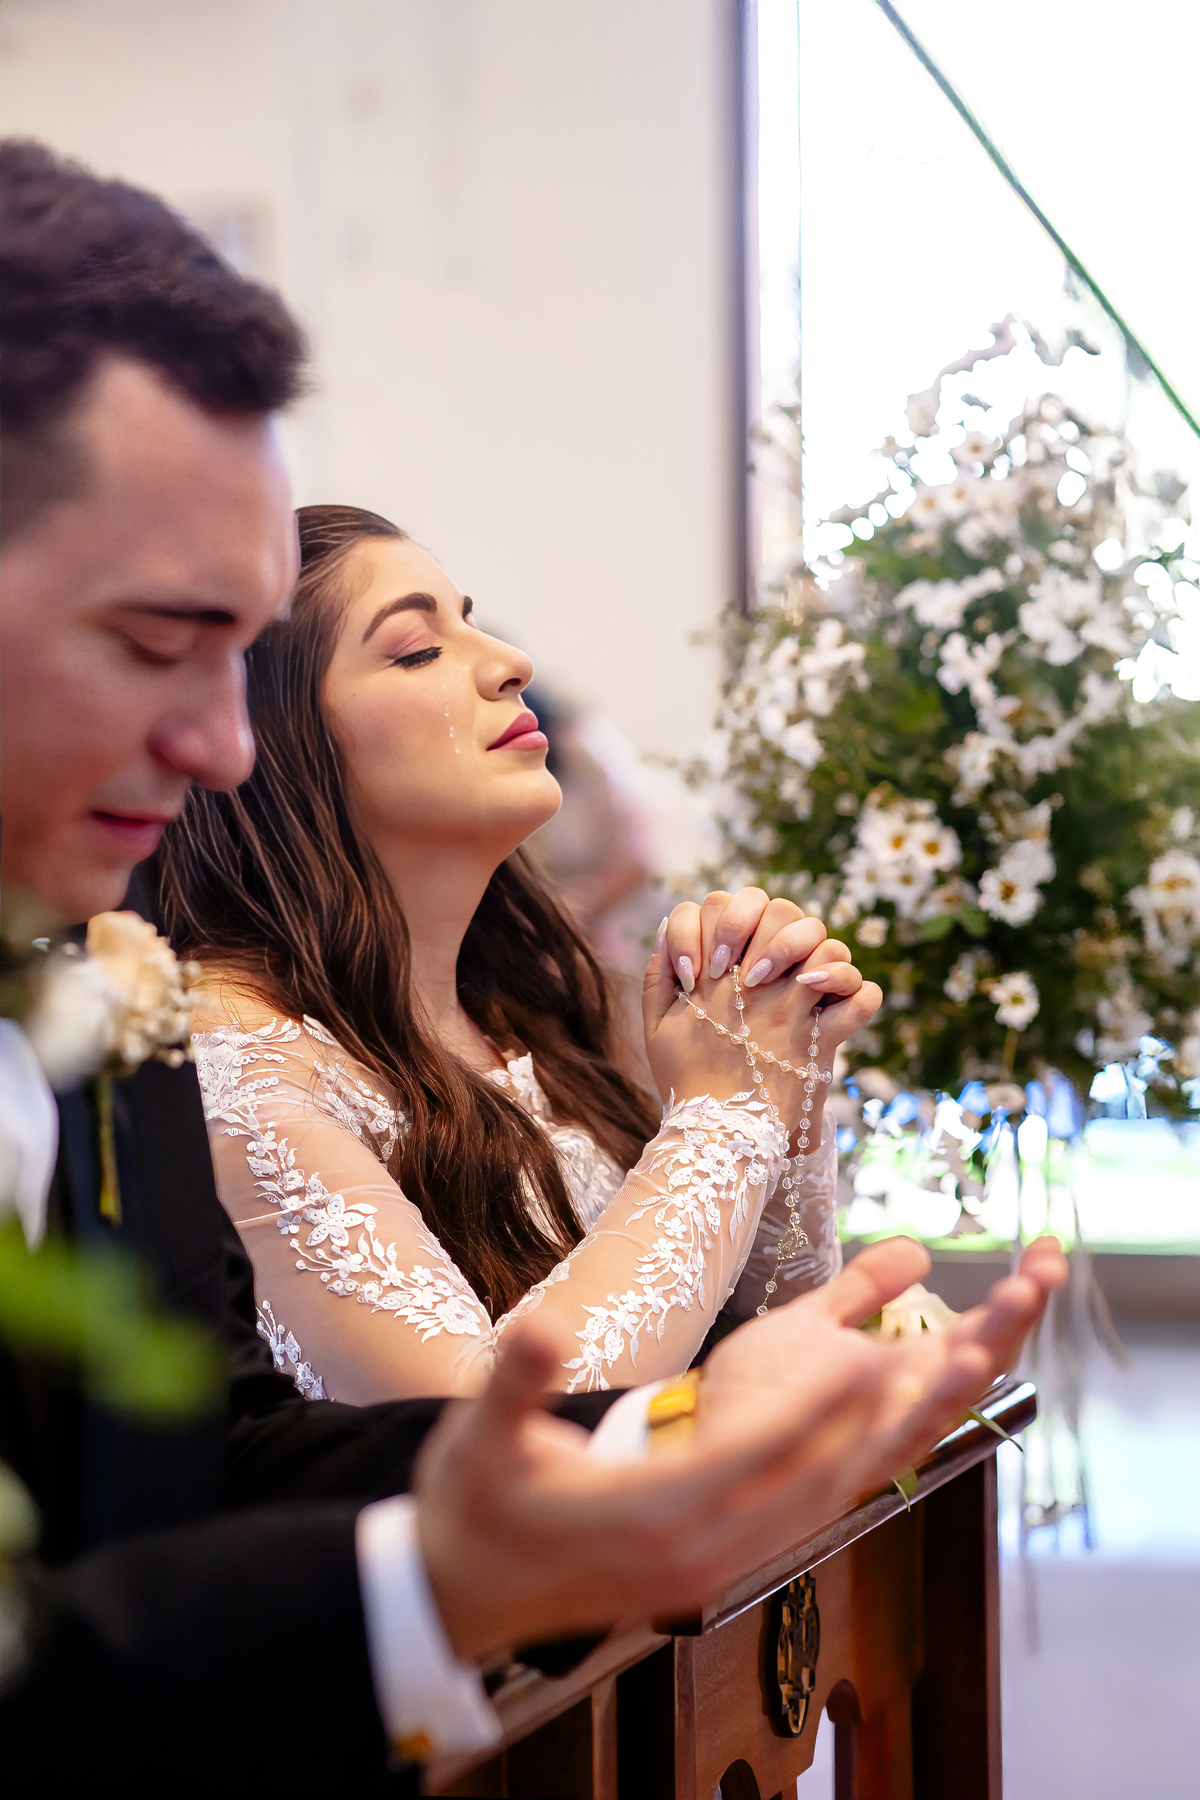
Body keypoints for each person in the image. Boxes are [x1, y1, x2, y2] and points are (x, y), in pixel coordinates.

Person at [0, 138, 1067, 1793]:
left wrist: (780, 1109)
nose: (206, 743)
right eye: (160, 644)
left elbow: (216, 1467)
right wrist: (718, 1123)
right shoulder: (202, 1038)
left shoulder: (447, 1007)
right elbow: (465, 1405)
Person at [153, 504, 878, 1405]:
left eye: (472, 620)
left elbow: (764, 1336)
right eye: (419, 649)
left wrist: (778, 1073)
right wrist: (724, 1114)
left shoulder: (520, 1006)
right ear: (272, 739)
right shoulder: (239, 1060)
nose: (511, 662)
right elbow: (489, 1423)